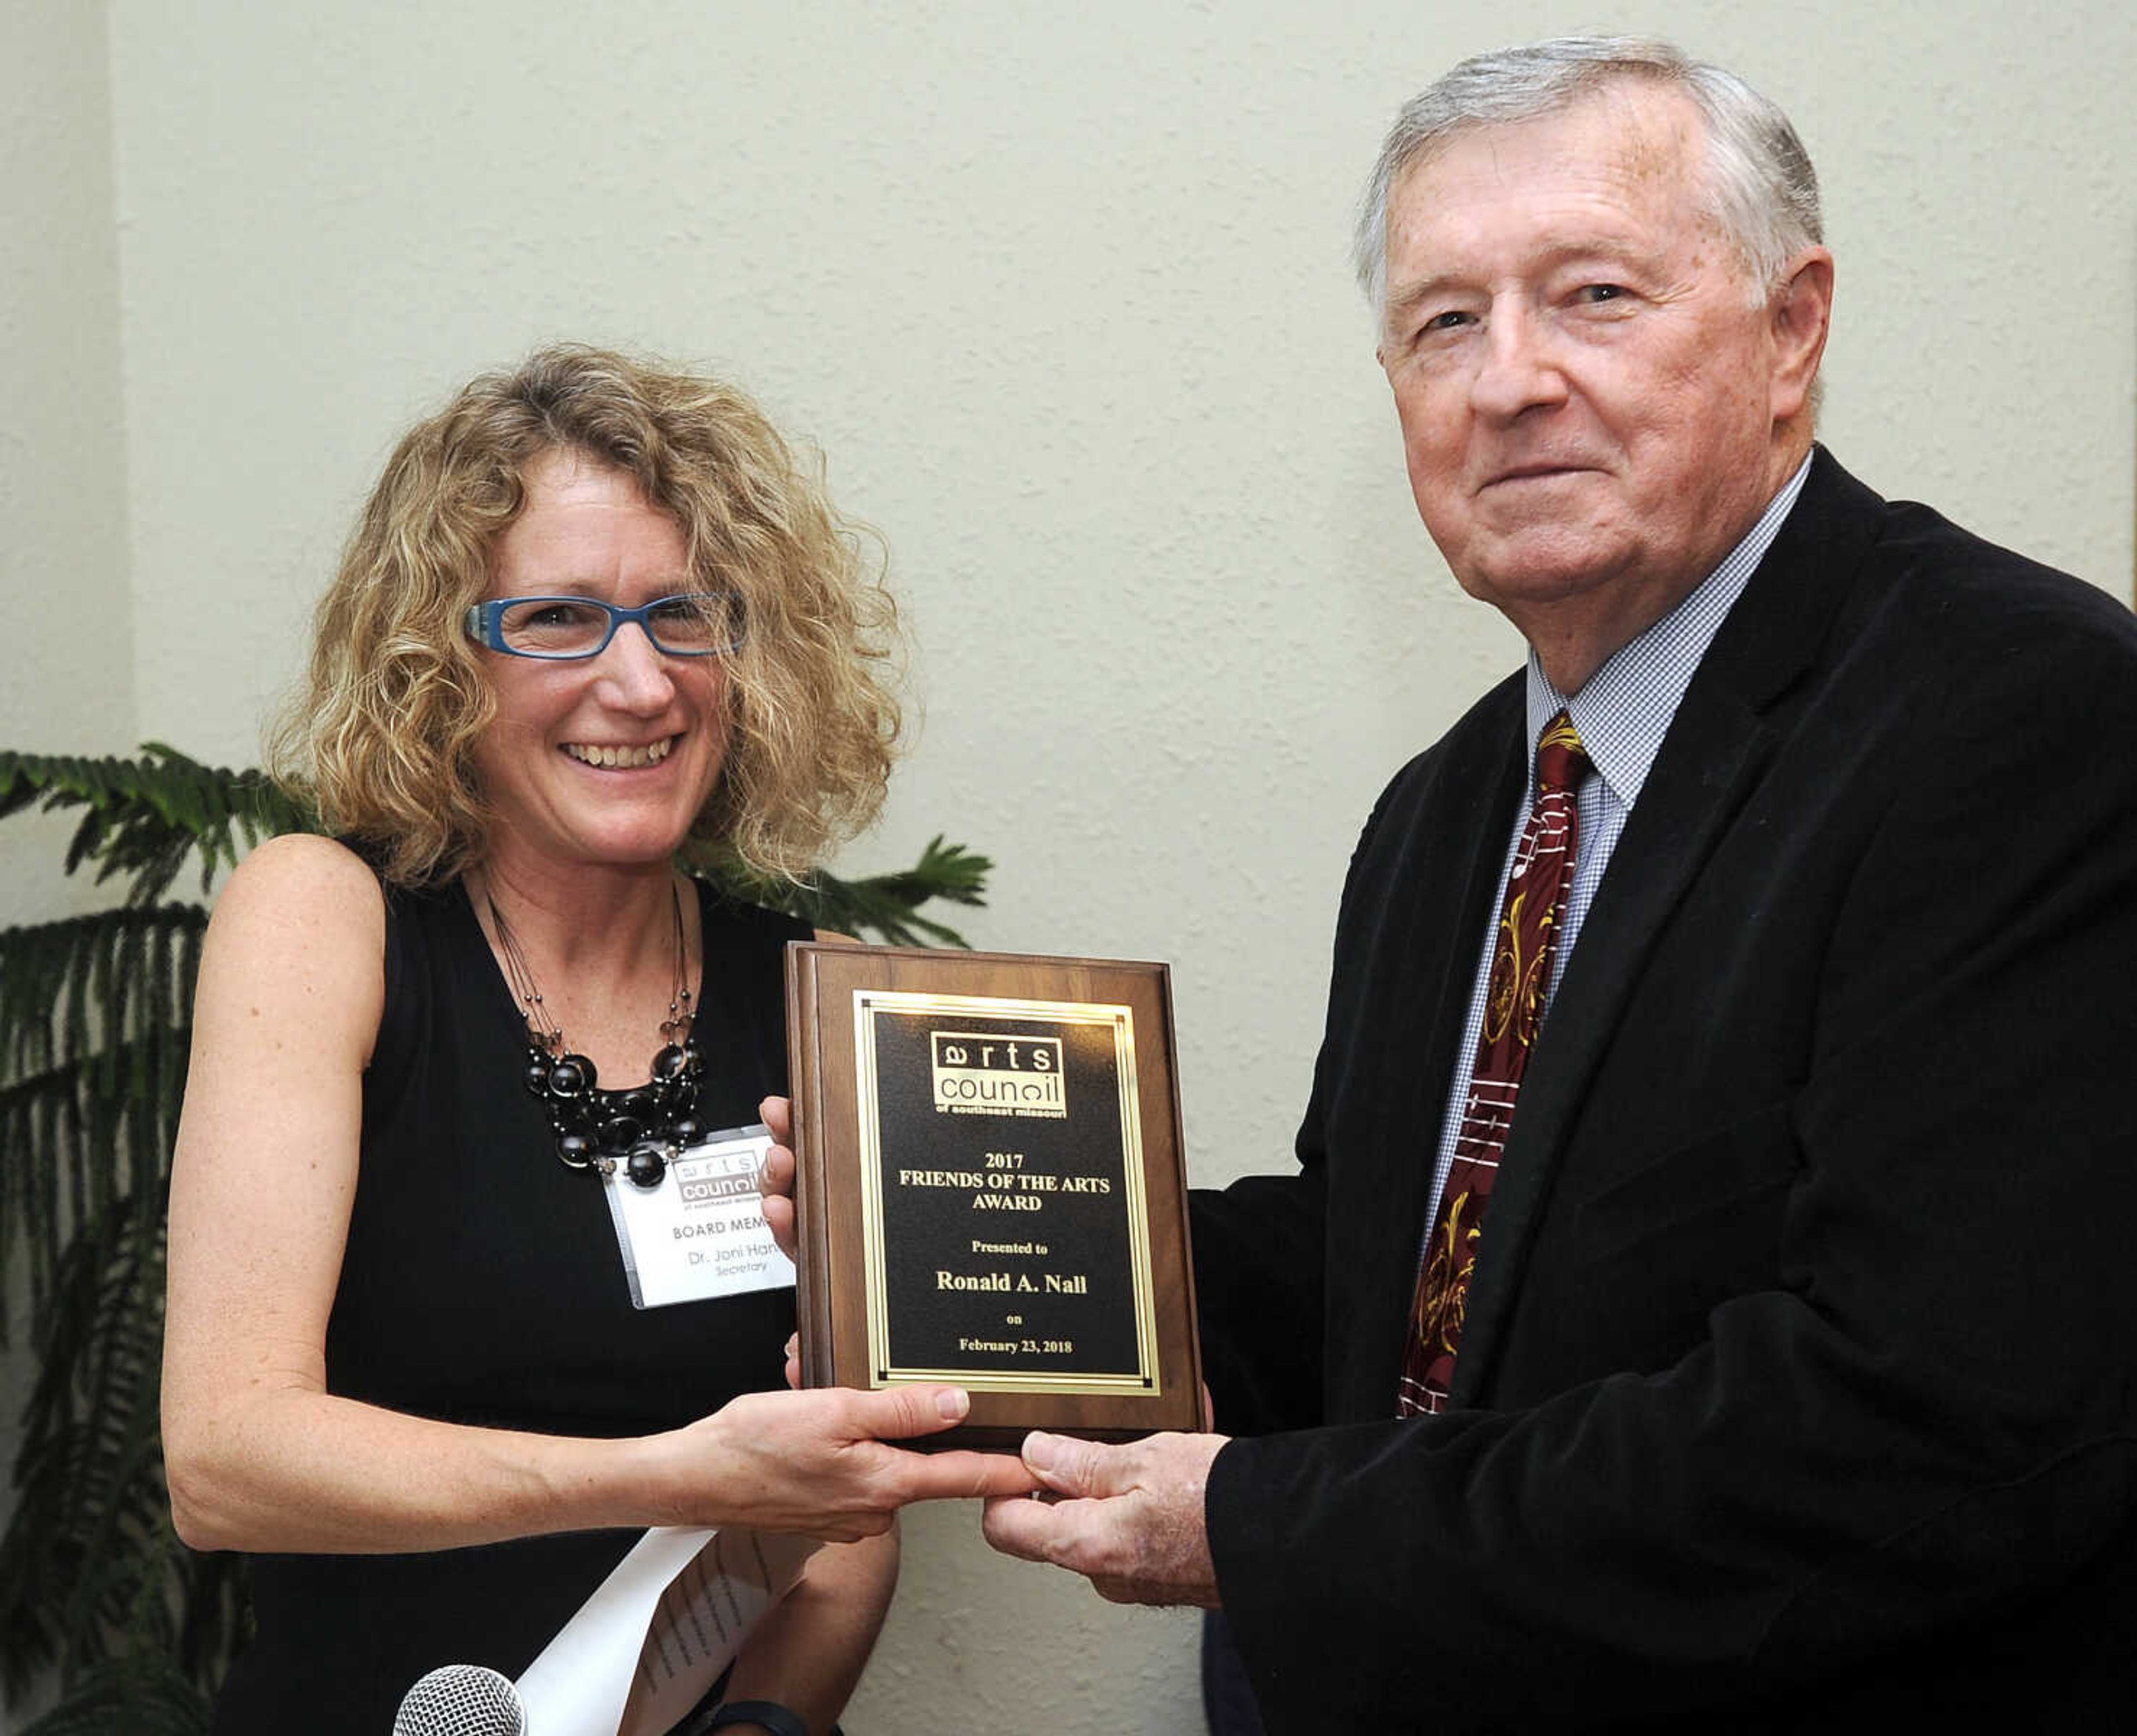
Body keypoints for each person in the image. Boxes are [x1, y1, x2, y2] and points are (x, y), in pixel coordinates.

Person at [971, 37, 2137, 1732]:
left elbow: (1927, 1419)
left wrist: (1252, 1523)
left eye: (1592, 295)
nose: (1509, 379)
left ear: (1793, 325)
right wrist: (960, 1229)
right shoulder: (1450, 812)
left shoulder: (2023, 719)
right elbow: (1400, 1283)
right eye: (1446, 320)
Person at [161, 343, 1032, 1736]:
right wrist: (676, 1474)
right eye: (559, 619)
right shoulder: (328, 924)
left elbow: (842, 1506)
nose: (639, 686)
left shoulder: (808, 998)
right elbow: (227, 1462)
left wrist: (766, 1727)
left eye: (685, 616)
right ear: (441, 661)